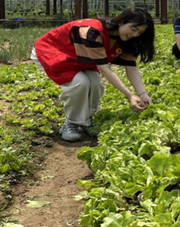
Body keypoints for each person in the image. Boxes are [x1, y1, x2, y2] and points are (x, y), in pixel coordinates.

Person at [31, 8, 155, 142]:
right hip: (54, 51)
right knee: (80, 82)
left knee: (95, 82)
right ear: (122, 22)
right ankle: (71, 122)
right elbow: (105, 69)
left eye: (140, 32)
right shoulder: (92, 31)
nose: (135, 34)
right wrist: (130, 95)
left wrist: (142, 94)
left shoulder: (126, 39)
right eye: (133, 29)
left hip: (79, 57)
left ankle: (85, 120)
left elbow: (131, 68)